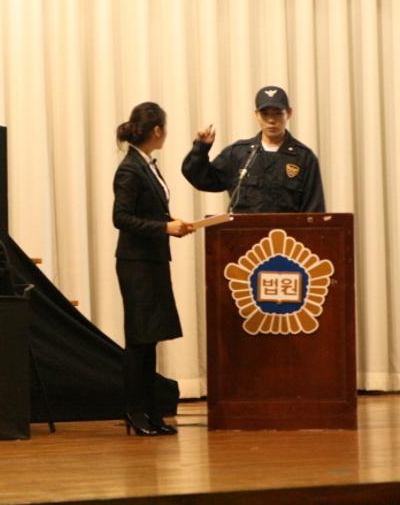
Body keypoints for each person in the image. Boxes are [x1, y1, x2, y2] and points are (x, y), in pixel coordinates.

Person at [113, 102, 193, 437]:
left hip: (152, 261)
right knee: (139, 339)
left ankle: (151, 411)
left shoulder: (145, 164)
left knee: (150, 339)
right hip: (137, 264)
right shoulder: (130, 169)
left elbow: (147, 211)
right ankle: (135, 412)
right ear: (157, 130)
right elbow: (121, 218)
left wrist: (170, 222)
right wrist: (164, 228)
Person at [181, 86, 325, 213]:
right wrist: (201, 147)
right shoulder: (239, 154)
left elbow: (314, 211)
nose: (271, 120)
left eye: (277, 113)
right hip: (243, 234)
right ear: (256, 115)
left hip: (287, 235)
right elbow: (201, 179)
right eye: (265, 114)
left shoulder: (304, 158)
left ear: (289, 113)